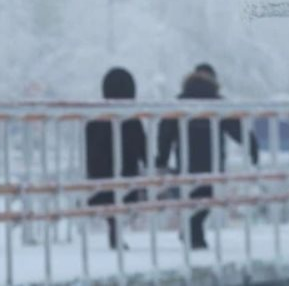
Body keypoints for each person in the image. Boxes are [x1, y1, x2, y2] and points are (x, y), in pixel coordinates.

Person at [155, 64, 258, 250]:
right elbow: (238, 130)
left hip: (186, 164)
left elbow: (165, 134)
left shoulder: (178, 104)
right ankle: (195, 235)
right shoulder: (218, 104)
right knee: (206, 200)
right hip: (212, 162)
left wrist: (161, 159)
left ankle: (192, 233)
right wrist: (252, 147)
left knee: (190, 198)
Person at [85, 67, 148, 249]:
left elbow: (90, 146)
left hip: (101, 172)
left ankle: (114, 229)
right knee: (122, 201)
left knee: (109, 202)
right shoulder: (131, 118)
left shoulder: (95, 117)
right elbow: (142, 144)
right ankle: (116, 232)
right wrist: (150, 161)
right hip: (126, 170)